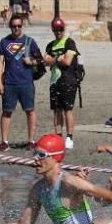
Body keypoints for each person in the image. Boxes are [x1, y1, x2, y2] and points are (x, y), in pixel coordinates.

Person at [0, 13, 41, 151]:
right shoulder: (4, 42)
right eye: (14, 26)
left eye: (19, 26)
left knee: (30, 111)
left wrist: (31, 61)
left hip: (26, 82)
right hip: (9, 83)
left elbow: (40, 60)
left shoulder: (30, 42)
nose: (16, 28)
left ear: (22, 26)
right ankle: (4, 141)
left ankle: (31, 140)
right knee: (6, 112)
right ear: (10, 26)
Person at [43, 17, 80, 150]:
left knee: (67, 109)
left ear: (63, 29)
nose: (58, 32)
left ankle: (69, 137)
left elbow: (67, 61)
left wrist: (54, 59)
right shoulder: (50, 45)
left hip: (68, 80)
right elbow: (45, 61)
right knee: (56, 111)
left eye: (60, 29)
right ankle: (58, 136)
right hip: (54, 81)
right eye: (56, 30)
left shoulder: (69, 42)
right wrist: (58, 58)